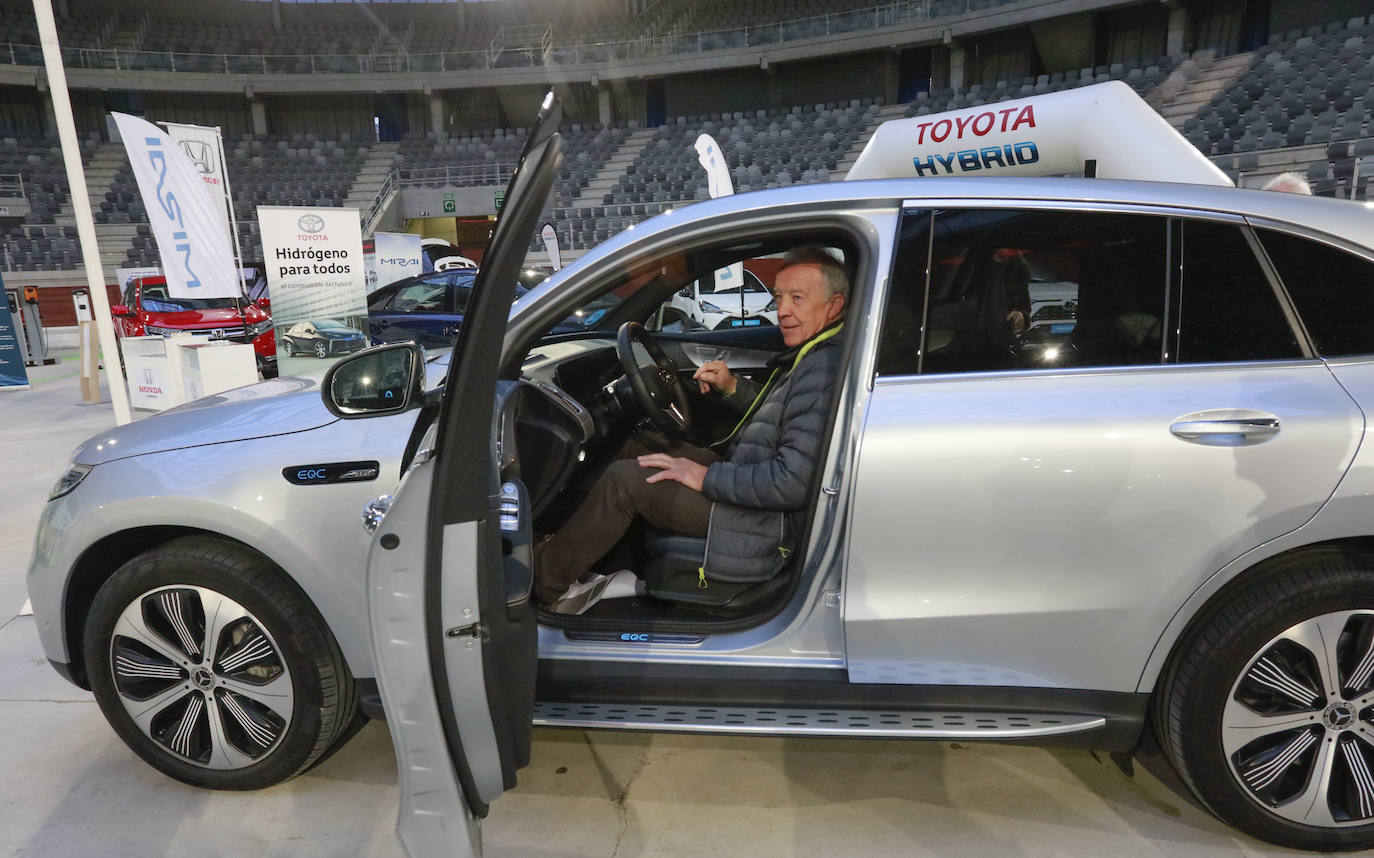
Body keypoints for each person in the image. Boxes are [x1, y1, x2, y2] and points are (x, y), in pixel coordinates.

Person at [534, 245, 850, 606]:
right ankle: (568, 548)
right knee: (640, 444)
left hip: (765, 522)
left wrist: (703, 478)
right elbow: (782, 416)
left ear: (834, 306)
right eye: (779, 297)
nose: (783, 311)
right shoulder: (812, 353)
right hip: (749, 482)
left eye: (798, 298)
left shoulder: (823, 367)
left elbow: (791, 482)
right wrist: (733, 388)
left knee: (626, 480)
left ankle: (545, 582)